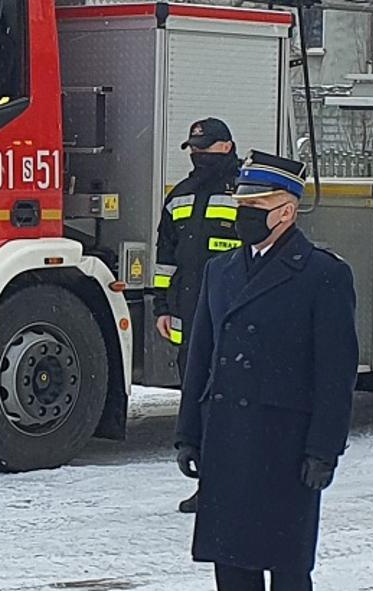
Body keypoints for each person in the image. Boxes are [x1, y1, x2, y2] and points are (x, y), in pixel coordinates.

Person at [178, 151, 356, 591]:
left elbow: (335, 373)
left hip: (284, 444)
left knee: (286, 568)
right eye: (242, 204)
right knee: (232, 567)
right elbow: (201, 358)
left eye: (256, 205)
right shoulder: (222, 271)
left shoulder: (323, 275)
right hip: (229, 438)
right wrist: (189, 435)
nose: (244, 215)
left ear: (287, 211)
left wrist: (323, 449)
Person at [157, 117, 244, 514]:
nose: (197, 154)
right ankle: (208, 484)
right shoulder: (181, 195)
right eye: (193, 148)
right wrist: (162, 306)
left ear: (227, 147)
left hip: (233, 318)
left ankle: (236, 486)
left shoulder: (246, 193)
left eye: (205, 147)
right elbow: (166, 256)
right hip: (191, 318)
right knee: (198, 402)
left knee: (231, 405)